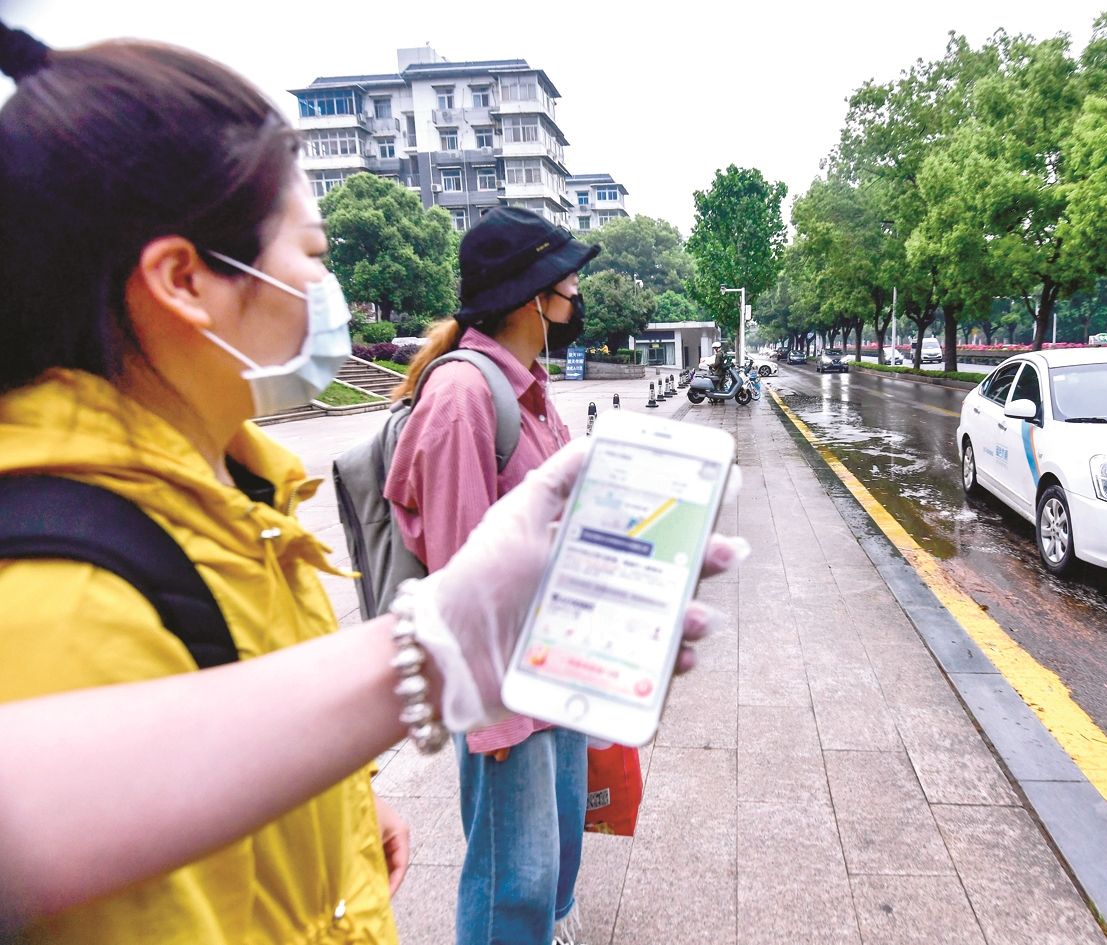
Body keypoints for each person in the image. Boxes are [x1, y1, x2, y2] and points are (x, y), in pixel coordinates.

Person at [0, 23, 744, 943]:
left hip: (521, 689)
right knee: (511, 885)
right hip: (507, 705)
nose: (327, 283)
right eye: (310, 252)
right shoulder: (63, 597)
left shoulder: (237, 493)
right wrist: (456, 654)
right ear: (185, 279)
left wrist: (344, 809)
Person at [385, 208, 596, 945]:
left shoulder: (527, 387)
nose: (576, 298)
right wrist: (491, 718)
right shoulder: (463, 398)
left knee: (556, 849)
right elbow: (457, 570)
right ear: (530, 297)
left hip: (553, 657)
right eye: (568, 285)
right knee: (515, 871)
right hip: (503, 675)